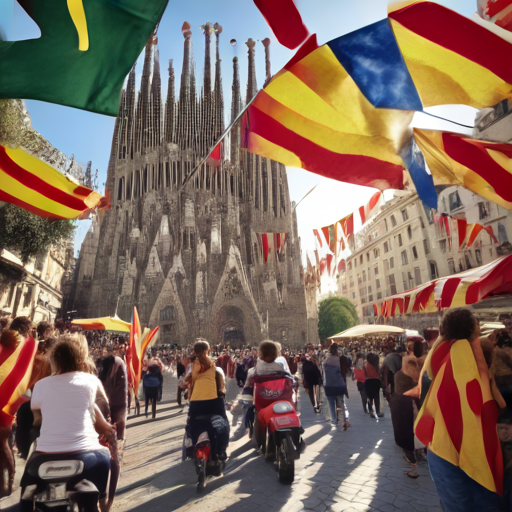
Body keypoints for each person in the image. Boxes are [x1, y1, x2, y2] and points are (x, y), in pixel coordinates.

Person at [412, 308, 505, 512]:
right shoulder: (461, 352)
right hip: (459, 452)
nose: (479, 330)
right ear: (469, 329)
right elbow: (475, 399)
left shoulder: (439, 349)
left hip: (440, 447)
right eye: (477, 326)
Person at [20, 335, 114, 512]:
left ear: (54, 361)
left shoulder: (40, 385)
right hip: (89, 456)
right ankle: (104, 500)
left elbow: (37, 418)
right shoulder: (92, 381)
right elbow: (105, 410)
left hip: (44, 456)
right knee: (110, 456)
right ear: (80, 360)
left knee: (26, 490)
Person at [186, 340, 229, 462]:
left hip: (196, 403)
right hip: (213, 401)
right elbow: (221, 386)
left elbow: (187, 381)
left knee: (192, 424)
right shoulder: (213, 366)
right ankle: (221, 451)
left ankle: (192, 447)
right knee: (223, 423)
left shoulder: (193, 366)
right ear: (206, 351)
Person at [98, 346, 128, 440]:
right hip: (116, 401)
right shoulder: (118, 363)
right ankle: (118, 444)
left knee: (115, 426)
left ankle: (117, 442)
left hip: (115, 401)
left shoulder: (116, 364)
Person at [323, 343, 350, 429]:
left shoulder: (327, 360)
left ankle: (334, 420)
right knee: (341, 403)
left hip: (329, 385)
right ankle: (344, 420)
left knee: (331, 404)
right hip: (339, 385)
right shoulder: (339, 360)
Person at [364, 353, 383, 418]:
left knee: (370, 398)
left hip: (368, 381)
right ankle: (378, 411)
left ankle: (371, 411)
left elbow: (364, 373)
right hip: (376, 380)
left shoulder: (366, 364)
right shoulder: (375, 364)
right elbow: (379, 372)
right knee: (376, 397)